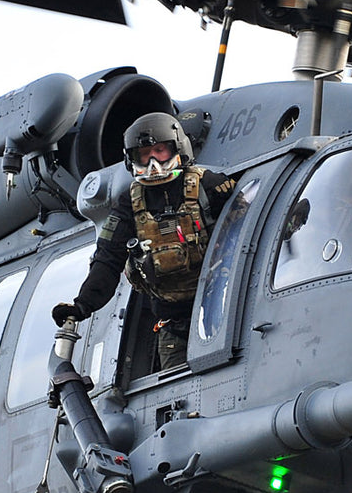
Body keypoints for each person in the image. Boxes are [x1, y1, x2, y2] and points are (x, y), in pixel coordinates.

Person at [52, 112, 236, 371]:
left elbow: (249, 212)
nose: (152, 163)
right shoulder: (129, 204)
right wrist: (82, 305)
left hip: (221, 309)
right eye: (144, 155)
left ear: (177, 148)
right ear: (132, 159)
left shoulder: (207, 185)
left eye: (159, 151)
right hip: (173, 324)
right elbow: (107, 258)